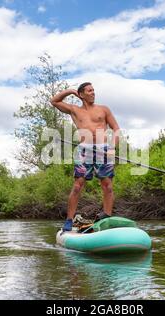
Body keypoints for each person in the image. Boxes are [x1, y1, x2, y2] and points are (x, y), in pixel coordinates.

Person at [50, 82, 120, 231]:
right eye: (89, 91)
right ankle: (69, 220)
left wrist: (112, 148)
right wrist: (70, 91)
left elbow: (116, 129)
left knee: (107, 186)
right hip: (84, 150)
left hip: (104, 150)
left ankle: (106, 216)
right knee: (77, 186)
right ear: (81, 94)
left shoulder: (103, 109)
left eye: (94, 90)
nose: (93, 93)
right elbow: (54, 101)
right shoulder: (74, 110)